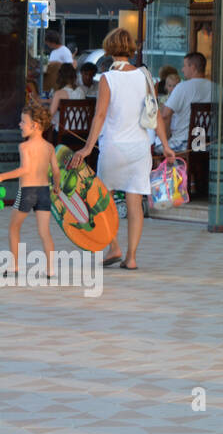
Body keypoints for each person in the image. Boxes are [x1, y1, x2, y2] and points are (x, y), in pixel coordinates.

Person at [72, 28, 175, 271]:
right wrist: (167, 146)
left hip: (114, 147)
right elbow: (156, 114)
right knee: (134, 201)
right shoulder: (145, 76)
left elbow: (100, 115)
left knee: (102, 200)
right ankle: (131, 257)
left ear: (108, 49)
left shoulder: (108, 78)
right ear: (131, 49)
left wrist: (87, 147)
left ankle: (114, 246)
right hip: (140, 148)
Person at [0, 103, 58, 279]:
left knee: (13, 227)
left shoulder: (25, 147)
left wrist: (2, 176)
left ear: (35, 125)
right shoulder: (49, 147)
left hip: (26, 192)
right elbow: (55, 170)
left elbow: (24, 169)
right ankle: (50, 270)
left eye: (23, 122)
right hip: (44, 192)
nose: (19, 125)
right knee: (44, 231)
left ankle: (14, 266)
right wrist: (57, 186)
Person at [158, 53, 213, 152]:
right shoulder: (217, 89)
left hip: (183, 143)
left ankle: (165, 167)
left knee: (156, 147)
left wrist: (165, 140)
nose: (182, 69)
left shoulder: (182, 87)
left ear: (193, 67)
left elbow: (165, 115)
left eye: (185, 66)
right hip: (209, 145)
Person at [48, 63, 83, 128]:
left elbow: (50, 115)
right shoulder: (81, 91)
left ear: (60, 77)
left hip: (65, 131)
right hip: (82, 130)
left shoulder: (59, 94)